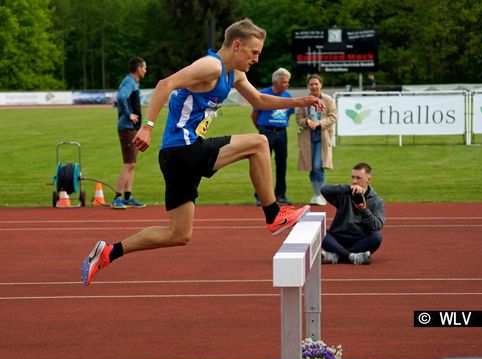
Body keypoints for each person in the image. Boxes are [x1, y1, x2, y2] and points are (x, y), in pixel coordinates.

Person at [81, 18, 325, 286]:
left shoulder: (235, 74)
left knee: (179, 234)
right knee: (259, 143)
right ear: (236, 45)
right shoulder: (211, 66)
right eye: (254, 52)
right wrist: (148, 127)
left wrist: (300, 100)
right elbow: (165, 84)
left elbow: (258, 100)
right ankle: (274, 215)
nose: (256, 59)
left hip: (176, 156)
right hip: (184, 149)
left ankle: (108, 252)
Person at [320, 162, 384, 265]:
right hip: (337, 237)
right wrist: (348, 188)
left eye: (358, 178)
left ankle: (336, 256)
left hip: (359, 240)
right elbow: (324, 190)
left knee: (377, 237)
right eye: (353, 177)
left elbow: (377, 225)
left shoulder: (377, 201)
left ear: (369, 179)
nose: (354, 181)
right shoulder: (345, 193)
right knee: (318, 231)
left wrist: (364, 210)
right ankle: (352, 256)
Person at [251, 67, 294, 206]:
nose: (286, 85)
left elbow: (289, 114)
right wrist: (263, 129)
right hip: (266, 131)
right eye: (284, 82)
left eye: (287, 82)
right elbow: (255, 115)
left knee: (282, 164)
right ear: (276, 81)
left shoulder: (288, 96)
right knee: (263, 165)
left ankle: (281, 194)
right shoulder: (263, 94)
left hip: (282, 132)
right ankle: (260, 196)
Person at [112, 56, 147, 209]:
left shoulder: (132, 83)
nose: (146, 70)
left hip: (132, 128)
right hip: (126, 128)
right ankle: (117, 197)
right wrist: (129, 114)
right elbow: (121, 97)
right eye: (144, 67)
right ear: (138, 68)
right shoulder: (129, 82)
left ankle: (127, 197)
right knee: (129, 163)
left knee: (132, 164)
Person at [295, 74, 337, 206]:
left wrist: (319, 123)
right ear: (308, 86)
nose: (314, 86)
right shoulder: (304, 101)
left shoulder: (328, 99)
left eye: (316, 84)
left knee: (318, 166)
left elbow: (333, 116)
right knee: (311, 167)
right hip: (308, 138)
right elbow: (298, 118)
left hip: (322, 138)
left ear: (321, 85)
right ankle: (316, 194)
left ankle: (322, 195)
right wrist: (307, 121)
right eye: (311, 84)